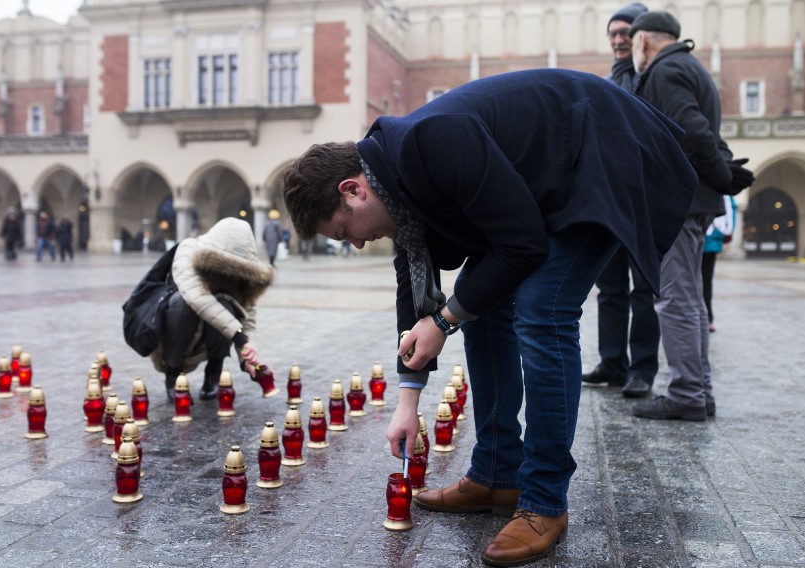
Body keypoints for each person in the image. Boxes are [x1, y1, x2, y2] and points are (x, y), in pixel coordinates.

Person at [282, 69, 698, 565]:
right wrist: (407, 401)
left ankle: (544, 500)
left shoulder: (432, 144)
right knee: (484, 304)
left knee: (543, 309)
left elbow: (522, 246)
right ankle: (497, 474)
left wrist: (444, 321)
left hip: (601, 157)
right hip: (546, 189)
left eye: (343, 231)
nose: (354, 243)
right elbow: (414, 299)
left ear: (352, 190)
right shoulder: (396, 192)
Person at [628, 12, 754, 422]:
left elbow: (695, 133)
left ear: (642, 39)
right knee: (692, 301)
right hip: (696, 202)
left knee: (676, 300)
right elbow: (706, 135)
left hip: (676, 201)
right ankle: (699, 391)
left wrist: (721, 174)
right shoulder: (691, 67)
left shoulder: (665, 71)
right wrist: (725, 172)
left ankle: (685, 395)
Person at [581, 1, 661, 399]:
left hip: (643, 200)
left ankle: (641, 369)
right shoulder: (610, 78)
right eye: (612, 34)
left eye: (624, 33)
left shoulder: (652, 76)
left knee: (643, 286)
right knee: (609, 286)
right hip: (609, 198)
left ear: (640, 36)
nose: (617, 40)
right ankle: (612, 362)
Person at [149, 217, 275, 401]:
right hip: (179, 326)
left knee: (227, 306)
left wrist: (250, 360)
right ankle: (173, 374)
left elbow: (248, 318)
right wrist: (239, 337)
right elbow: (197, 298)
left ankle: (213, 374)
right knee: (180, 303)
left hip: (214, 335)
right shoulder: (188, 249)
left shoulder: (244, 273)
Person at [703, 196, 736, 332]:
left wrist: (726, 232)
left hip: (709, 240)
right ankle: (705, 318)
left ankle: (706, 317)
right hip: (707, 237)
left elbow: (730, 207)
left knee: (704, 281)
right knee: (702, 281)